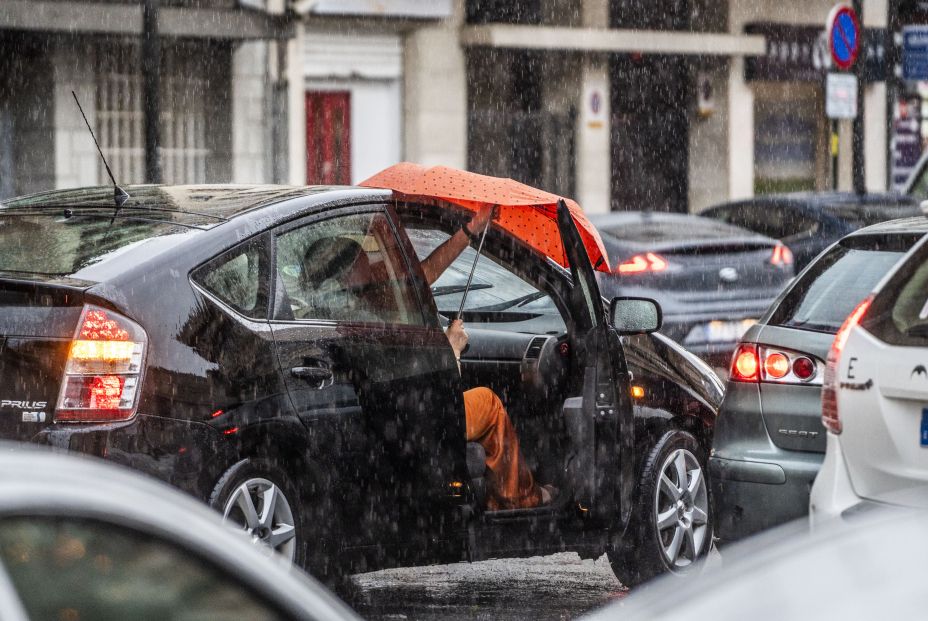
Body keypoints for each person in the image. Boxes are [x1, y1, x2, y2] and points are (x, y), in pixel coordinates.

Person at [420, 206, 556, 510]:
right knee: (488, 401)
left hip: (406, 410)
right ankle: (518, 497)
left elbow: (425, 272)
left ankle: (499, 496)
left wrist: (471, 229)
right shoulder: (386, 293)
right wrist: (452, 348)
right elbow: (445, 394)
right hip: (424, 412)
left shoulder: (374, 291)